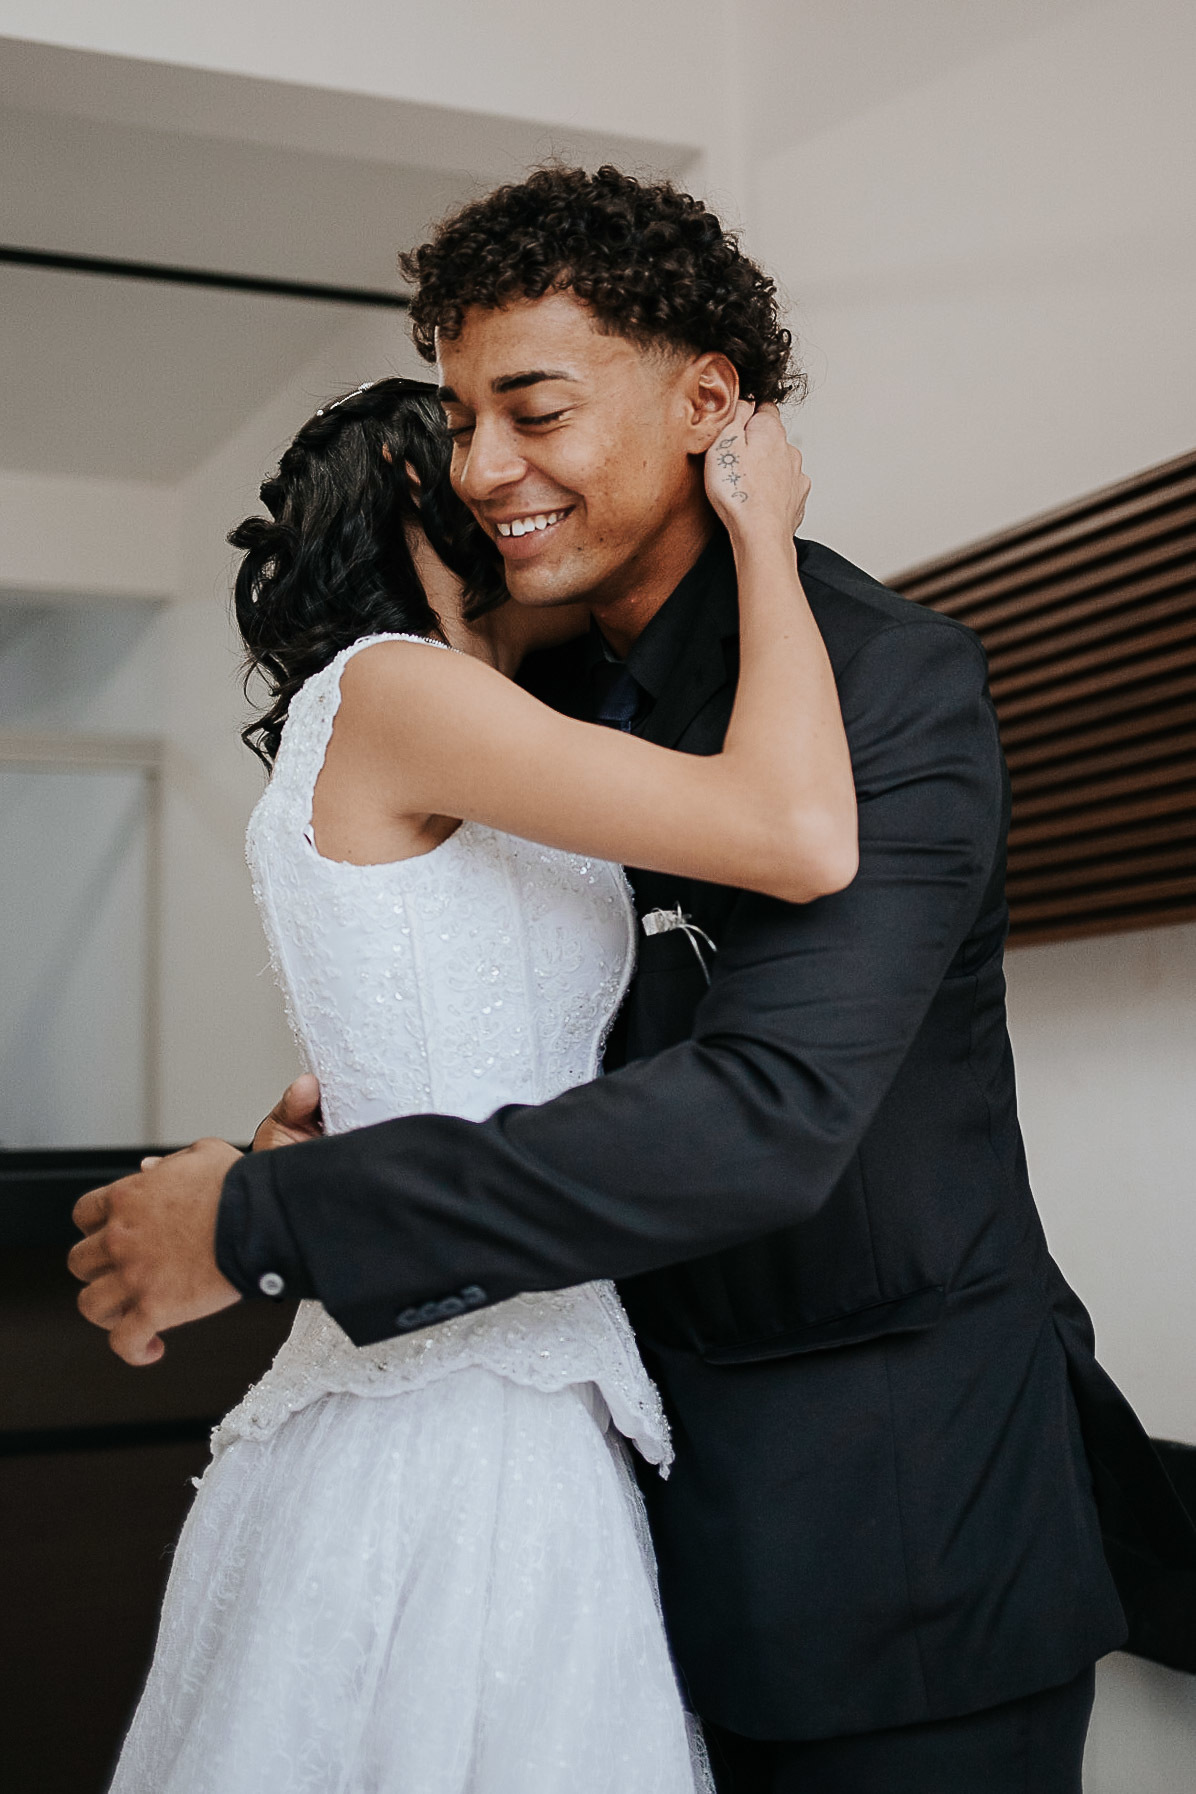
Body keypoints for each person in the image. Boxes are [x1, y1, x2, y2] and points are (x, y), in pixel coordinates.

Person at [72, 168, 1192, 1793]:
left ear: (707, 405)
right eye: (464, 418)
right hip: (583, 1529)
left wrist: (268, 1219)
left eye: (533, 411)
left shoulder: (886, 685)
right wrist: (356, 1120)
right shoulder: (526, 690)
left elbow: (768, 1114)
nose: (482, 468)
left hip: (892, 1559)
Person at [96, 366, 852, 1794]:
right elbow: (794, 829)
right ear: (417, 507)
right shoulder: (400, 689)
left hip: (514, 1346)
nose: (514, 483)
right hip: (460, 1388)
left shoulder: (456, 716)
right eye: (471, 454)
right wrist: (766, 539)